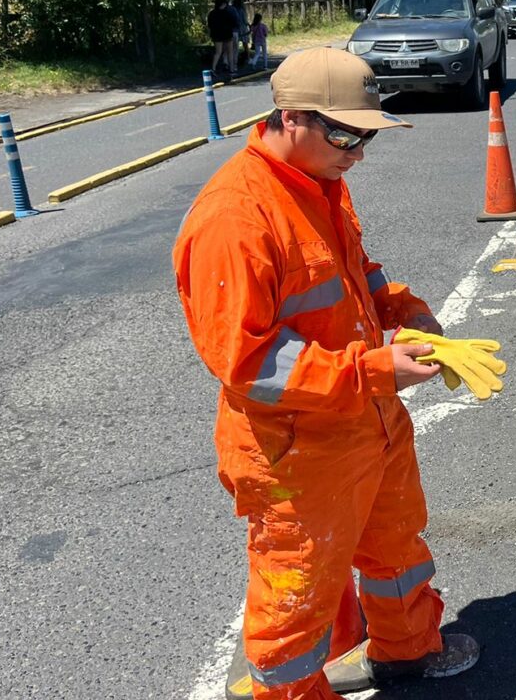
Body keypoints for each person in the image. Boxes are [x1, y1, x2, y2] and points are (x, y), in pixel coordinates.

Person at [172, 47, 479, 700]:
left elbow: (353, 275)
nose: (359, 150)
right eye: (345, 132)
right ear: (288, 117)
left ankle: (406, 648)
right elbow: (248, 363)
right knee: (296, 598)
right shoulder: (235, 215)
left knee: (396, 545)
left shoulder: (323, 183)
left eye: (367, 133)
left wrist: (404, 307)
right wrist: (375, 370)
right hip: (296, 455)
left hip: (369, 425)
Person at [208, 0, 235, 74]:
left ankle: (213, 68)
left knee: (218, 52)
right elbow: (233, 23)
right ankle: (231, 69)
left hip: (216, 35)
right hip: (227, 34)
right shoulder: (227, 13)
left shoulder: (212, 13)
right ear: (223, 4)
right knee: (230, 52)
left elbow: (210, 25)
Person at [230, 0, 249, 71]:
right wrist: (248, 24)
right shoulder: (241, 10)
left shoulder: (232, 9)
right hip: (242, 28)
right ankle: (247, 57)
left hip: (234, 28)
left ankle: (234, 60)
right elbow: (244, 20)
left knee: (235, 45)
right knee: (245, 43)